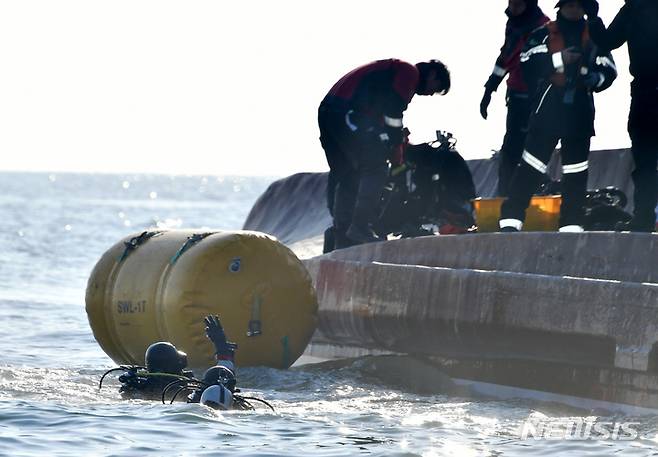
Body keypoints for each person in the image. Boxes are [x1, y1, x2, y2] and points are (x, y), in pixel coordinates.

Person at [499, 0, 617, 233]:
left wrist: (596, 79)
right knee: (531, 166)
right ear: (560, 7)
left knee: (576, 170)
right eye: (569, 4)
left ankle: (571, 224)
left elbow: (610, 68)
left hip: (580, 113)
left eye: (578, 5)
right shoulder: (542, 34)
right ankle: (510, 221)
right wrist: (560, 59)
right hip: (548, 111)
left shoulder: (594, 35)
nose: (574, 9)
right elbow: (527, 63)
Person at [319, 59, 451, 249]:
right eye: (435, 87)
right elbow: (394, 113)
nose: (430, 93)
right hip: (344, 111)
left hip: (330, 112)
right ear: (432, 75)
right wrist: (396, 146)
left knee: (348, 175)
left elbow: (383, 114)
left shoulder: (387, 79)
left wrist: (393, 140)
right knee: (376, 167)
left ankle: (343, 238)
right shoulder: (408, 72)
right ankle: (360, 227)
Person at [584, 0, 658, 232]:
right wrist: (594, 18)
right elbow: (608, 41)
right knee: (644, 160)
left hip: (646, 93)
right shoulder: (632, 8)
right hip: (644, 93)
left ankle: (644, 218)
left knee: (645, 162)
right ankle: (643, 217)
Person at [480, 0, 549, 197]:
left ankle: (532, 196)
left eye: (519, 3)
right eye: (512, 3)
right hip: (517, 93)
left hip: (536, 96)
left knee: (532, 149)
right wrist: (490, 88)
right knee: (511, 149)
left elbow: (518, 57)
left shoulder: (542, 26)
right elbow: (505, 56)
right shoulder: (514, 25)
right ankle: (505, 198)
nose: (514, 7)